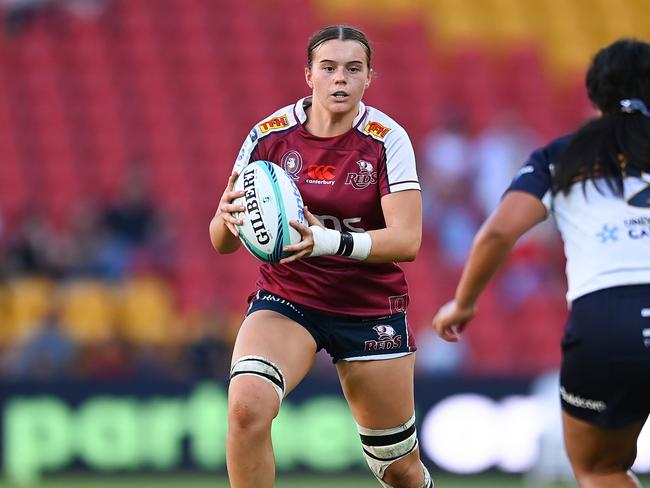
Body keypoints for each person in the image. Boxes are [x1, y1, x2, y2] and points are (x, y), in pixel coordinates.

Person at [210, 24, 432, 488]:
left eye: (353, 69)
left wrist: (328, 240)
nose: (340, 80)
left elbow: (407, 240)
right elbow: (220, 239)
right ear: (308, 75)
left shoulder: (386, 139)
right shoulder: (269, 136)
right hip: (289, 298)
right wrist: (227, 218)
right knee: (247, 406)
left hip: (368, 308)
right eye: (328, 68)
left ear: (370, 77)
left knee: (398, 470)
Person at [432, 38, 650, 488]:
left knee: (600, 467)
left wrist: (464, 303)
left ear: (595, 96)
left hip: (605, 321)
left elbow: (498, 231)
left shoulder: (560, 155)